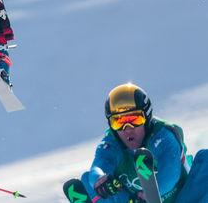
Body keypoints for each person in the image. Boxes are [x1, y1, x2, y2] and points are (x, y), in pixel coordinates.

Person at [67, 83, 208, 203]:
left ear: (147, 118)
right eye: (119, 122)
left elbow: (171, 173)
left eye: (134, 119)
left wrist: (150, 193)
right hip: (132, 200)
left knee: (205, 159)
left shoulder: (163, 136)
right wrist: (100, 179)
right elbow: (97, 168)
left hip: (185, 198)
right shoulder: (111, 144)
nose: (127, 129)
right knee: (88, 181)